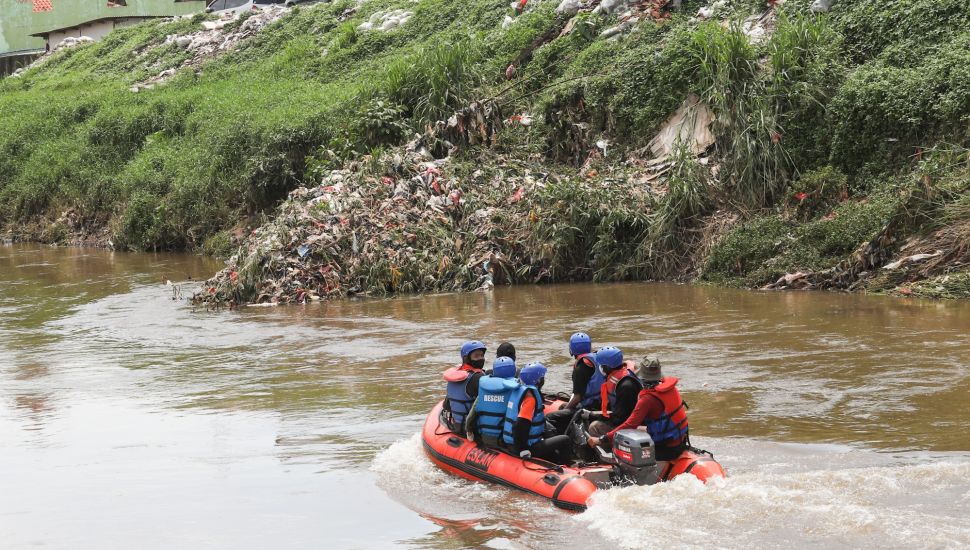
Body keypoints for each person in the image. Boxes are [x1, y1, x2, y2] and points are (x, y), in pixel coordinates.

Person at [588, 358, 689, 461]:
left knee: (596, 428)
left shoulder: (647, 399)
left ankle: (612, 460)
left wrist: (602, 439)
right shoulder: (671, 389)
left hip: (664, 449)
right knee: (638, 429)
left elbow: (630, 424)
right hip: (679, 442)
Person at [502, 363, 572, 463]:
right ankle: (567, 467)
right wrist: (523, 450)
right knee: (565, 440)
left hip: (512, 443)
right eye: (542, 377)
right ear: (537, 380)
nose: (543, 379)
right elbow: (519, 425)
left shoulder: (518, 391)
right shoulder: (530, 399)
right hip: (525, 447)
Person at [545, 332, 603, 435]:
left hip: (589, 407)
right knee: (563, 406)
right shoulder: (597, 359)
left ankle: (563, 438)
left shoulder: (580, 368)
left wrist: (567, 409)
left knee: (552, 416)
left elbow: (577, 397)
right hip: (601, 402)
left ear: (572, 348)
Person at [585, 346, 642, 450]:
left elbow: (620, 419)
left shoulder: (625, 386)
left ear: (607, 367)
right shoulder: (623, 376)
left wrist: (594, 416)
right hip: (625, 416)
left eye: (601, 365)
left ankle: (609, 454)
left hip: (632, 425)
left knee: (594, 426)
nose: (600, 367)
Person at [464, 356, 518, 446]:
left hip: (485, 438)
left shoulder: (484, 390)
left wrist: (469, 431)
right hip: (505, 442)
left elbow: (470, 417)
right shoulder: (515, 390)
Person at [442, 340, 487, 431]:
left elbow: (446, 405)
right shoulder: (477, 378)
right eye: (476, 356)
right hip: (472, 429)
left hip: (457, 425)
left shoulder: (454, 375)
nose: (481, 358)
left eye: (482, 355)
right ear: (467, 358)